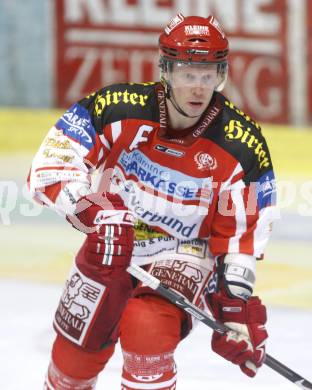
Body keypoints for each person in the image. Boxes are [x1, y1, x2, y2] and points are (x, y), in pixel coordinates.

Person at [29, 13, 278, 390]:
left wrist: (235, 308)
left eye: (207, 75)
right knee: (74, 357)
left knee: (146, 327)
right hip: (111, 240)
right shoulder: (116, 106)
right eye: (187, 74)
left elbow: (241, 237)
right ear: (166, 70)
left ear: (220, 75)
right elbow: (50, 170)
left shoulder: (242, 144)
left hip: (184, 251)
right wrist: (93, 212)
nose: (198, 87)